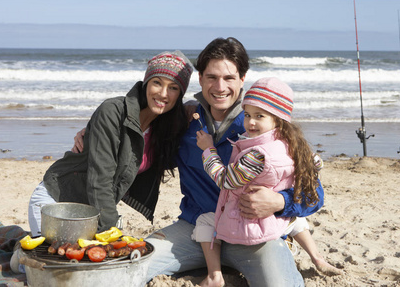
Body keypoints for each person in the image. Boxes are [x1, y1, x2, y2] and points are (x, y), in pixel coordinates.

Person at [143, 38, 324, 287]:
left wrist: (280, 201)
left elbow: (314, 193)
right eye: (211, 77)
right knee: (132, 264)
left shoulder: (263, 126)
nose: (220, 86)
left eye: (229, 78)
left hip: (252, 236)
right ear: (200, 78)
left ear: (242, 79)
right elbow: (141, 129)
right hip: (198, 231)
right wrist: (94, 132)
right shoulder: (185, 120)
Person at [193, 77, 341, 286]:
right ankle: (317, 257)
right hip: (278, 220)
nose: (251, 122)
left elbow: (225, 180)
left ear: (277, 119)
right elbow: (317, 164)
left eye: (259, 116)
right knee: (296, 220)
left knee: (205, 222)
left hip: (251, 221)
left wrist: (208, 150)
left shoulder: (257, 155)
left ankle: (214, 275)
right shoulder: (293, 144)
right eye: (247, 115)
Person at [27, 50, 193, 236]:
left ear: (180, 94)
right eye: (157, 82)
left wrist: (194, 107)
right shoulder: (113, 112)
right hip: (56, 203)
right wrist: (111, 230)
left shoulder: (165, 130)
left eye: (173, 87)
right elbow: (100, 180)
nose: (163, 93)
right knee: (54, 262)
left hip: (93, 213)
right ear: (146, 82)